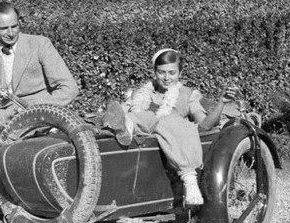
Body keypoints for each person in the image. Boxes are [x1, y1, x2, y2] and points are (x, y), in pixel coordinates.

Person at [101, 48, 239, 207]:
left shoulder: (187, 95)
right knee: (138, 117)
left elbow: (205, 126)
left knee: (164, 119)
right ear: (154, 72)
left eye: (172, 73)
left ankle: (189, 180)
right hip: (140, 144)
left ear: (180, 72)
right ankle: (126, 128)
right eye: (161, 72)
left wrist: (222, 102)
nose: (166, 78)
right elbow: (121, 113)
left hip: (173, 144)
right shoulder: (141, 94)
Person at [0, 1, 79, 125]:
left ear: (19, 22)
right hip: (8, 117)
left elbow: (69, 89)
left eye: (14, 26)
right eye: (4, 28)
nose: (11, 33)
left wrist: (37, 108)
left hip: (41, 117)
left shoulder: (40, 45)